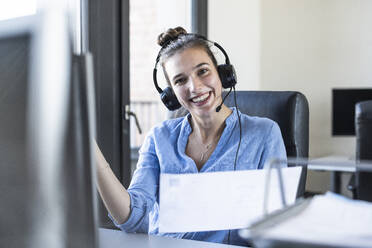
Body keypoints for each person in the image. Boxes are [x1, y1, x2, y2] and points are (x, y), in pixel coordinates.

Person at [95, 27, 287, 246]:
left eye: (203, 71)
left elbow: (276, 223)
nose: (194, 87)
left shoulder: (264, 134)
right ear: (171, 94)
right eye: (180, 80)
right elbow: (133, 219)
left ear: (222, 73)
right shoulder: (160, 137)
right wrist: (91, 150)